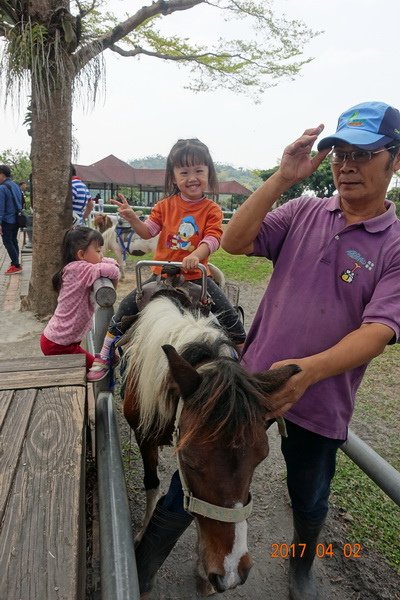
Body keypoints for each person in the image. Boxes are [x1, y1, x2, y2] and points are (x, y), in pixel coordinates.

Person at [221, 100, 400, 600]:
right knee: (216, 467)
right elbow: (234, 243)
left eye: (363, 154)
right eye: (340, 152)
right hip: (254, 379)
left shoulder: (395, 245)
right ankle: (163, 553)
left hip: (321, 397)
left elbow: (379, 330)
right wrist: (282, 178)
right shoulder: (302, 210)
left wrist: (308, 372)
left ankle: (301, 562)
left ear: (396, 160)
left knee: (309, 491)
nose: (346, 164)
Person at [87, 137, 246, 382]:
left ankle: (243, 362)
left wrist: (196, 255)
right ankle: (106, 353)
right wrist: (133, 219)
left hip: (195, 277)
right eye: (184, 172)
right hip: (161, 275)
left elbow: (214, 238)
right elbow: (148, 231)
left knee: (231, 319)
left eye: (198, 171)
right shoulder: (164, 206)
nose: (192, 177)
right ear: (174, 178)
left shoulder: (211, 210)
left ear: (208, 174)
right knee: (124, 310)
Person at [40, 227, 120, 372]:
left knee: (96, 363)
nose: (101, 255)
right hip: (58, 345)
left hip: (62, 341)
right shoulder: (79, 269)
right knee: (99, 367)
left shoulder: (75, 267)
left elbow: (103, 265)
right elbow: (113, 271)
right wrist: (112, 263)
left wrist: (104, 260)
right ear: (82, 254)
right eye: (98, 251)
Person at [0, 164, 23, 274]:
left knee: (7, 241)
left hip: (7, 220)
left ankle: (16, 265)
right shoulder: (15, 185)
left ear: (2, 174)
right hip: (16, 219)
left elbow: (1, 207)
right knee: (13, 240)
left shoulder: (2, 187)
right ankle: (15, 262)